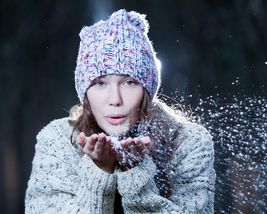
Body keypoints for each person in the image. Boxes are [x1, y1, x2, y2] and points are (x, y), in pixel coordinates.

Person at [25, 9, 215, 213]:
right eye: (100, 83)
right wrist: (100, 170)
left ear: (147, 90)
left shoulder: (188, 141)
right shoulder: (58, 140)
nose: (115, 100)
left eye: (129, 82)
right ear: (85, 92)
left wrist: (135, 171)